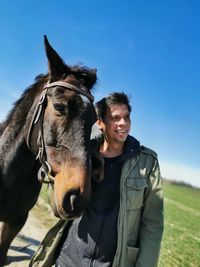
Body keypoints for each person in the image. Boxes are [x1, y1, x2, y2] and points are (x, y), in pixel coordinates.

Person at [30, 92, 163, 267]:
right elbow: (59, 204)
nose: (123, 123)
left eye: (126, 117)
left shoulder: (147, 162)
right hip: (67, 259)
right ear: (100, 123)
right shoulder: (82, 155)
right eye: (115, 118)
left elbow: (152, 224)